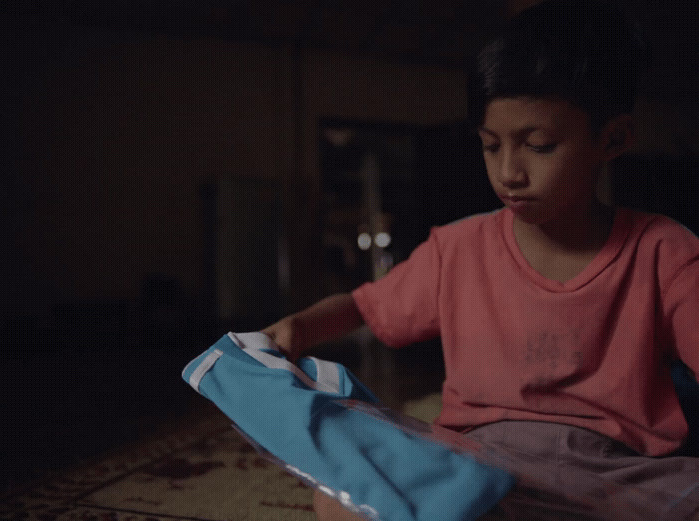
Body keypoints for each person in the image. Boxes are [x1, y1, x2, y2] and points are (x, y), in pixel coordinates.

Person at [262, 1, 699, 519]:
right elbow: (363, 306)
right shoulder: (458, 249)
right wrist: (298, 327)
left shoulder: (664, 251)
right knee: (340, 500)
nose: (509, 172)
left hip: (612, 476)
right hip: (474, 468)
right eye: (491, 147)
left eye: (538, 146)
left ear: (613, 140)